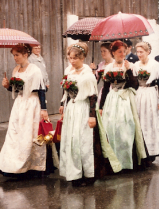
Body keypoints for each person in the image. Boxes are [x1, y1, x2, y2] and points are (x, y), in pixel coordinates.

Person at [0, 43, 49, 178]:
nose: (15, 58)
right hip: (19, 104)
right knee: (15, 134)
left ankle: (32, 167)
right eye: (13, 55)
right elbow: (16, 89)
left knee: (29, 134)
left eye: (17, 55)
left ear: (26, 55)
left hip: (31, 104)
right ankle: (11, 166)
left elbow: (41, 90)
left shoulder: (35, 70)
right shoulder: (16, 70)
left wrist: (44, 109)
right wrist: (7, 86)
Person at [59, 42, 108, 186]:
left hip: (83, 109)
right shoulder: (69, 72)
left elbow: (92, 97)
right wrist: (62, 104)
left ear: (82, 58)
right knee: (72, 140)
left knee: (83, 141)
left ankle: (88, 173)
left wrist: (92, 116)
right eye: (70, 58)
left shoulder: (88, 75)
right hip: (71, 109)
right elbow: (66, 91)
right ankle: (74, 172)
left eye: (75, 58)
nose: (72, 61)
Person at [99, 40, 147, 170]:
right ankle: (113, 162)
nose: (122, 54)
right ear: (113, 53)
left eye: (124, 51)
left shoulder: (130, 65)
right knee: (110, 128)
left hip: (125, 100)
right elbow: (105, 88)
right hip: (112, 99)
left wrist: (129, 71)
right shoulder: (109, 68)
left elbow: (135, 86)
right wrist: (101, 107)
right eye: (119, 51)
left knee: (125, 128)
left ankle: (127, 160)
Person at [134, 42, 159, 160]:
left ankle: (152, 150)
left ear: (148, 52)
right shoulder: (136, 65)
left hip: (152, 93)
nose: (139, 54)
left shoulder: (155, 64)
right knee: (140, 120)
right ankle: (141, 150)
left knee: (151, 121)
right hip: (140, 94)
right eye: (137, 52)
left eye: (141, 52)